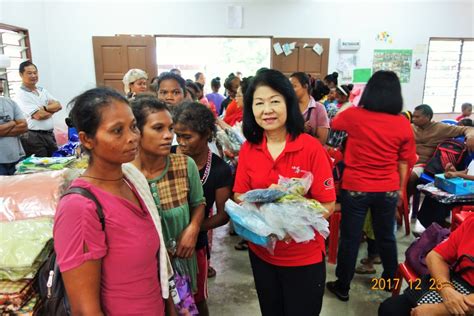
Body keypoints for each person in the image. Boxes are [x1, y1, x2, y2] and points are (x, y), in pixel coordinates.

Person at [54, 88, 173, 315]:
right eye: (117, 131)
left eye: (133, 126)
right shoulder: (79, 208)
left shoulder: (132, 181)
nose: (132, 137)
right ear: (87, 139)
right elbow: (84, 310)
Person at [233, 69, 336, 316]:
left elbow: (328, 204)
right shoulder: (249, 148)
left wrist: (291, 216)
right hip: (262, 254)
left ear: (289, 103)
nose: (267, 110)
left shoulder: (310, 147)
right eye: (259, 103)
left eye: (274, 101)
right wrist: (265, 202)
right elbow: (239, 195)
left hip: (304, 256)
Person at [326, 70, 417, 302]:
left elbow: (335, 123)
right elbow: (404, 161)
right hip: (387, 188)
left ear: (369, 92)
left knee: (350, 238)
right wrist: (399, 189)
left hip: (356, 187)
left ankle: (343, 286)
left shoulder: (354, 115)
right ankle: (388, 281)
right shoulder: (402, 123)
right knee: (386, 235)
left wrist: (352, 103)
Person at [130, 96, 206, 297]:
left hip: (181, 263)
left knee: (188, 306)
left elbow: (199, 203)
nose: (168, 136)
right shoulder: (125, 175)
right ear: (136, 131)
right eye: (158, 128)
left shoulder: (184, 165)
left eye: (170, 128)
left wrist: (193, 228)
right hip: (142, 269)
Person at [172, 102, 233, 315]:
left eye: (187, 137)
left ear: (207, 133)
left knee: (196, 300)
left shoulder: (219, 169)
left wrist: (193, 230)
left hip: (194, 245)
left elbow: (223, 215)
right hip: (163, 241)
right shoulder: (167, 157)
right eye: (177, 135)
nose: (181, 142)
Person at [379, 215, 474, 316]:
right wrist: (446, 289)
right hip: (457, 284)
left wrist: (438, 310)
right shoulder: (471, 222)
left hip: (466, 301)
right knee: (390, 309)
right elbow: (435, 256)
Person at [407, 104, 474, 200]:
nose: (413, 119)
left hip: (423, 165)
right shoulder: (410, 127)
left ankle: (404, 201)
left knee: (410, 176)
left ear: (427, 117)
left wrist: (471, 137)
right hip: (406, 162)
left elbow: (468, 128)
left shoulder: (441, 128)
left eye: (417, 117)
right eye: (413, 116)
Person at [14, 61, 62, 157]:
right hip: (33, 137)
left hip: (49, 135)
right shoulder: (21, 94)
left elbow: (59, 105)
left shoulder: (42, 90)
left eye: (35, 73)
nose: (33, 75)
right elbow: (39, 115)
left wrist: (45, 108)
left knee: (57, 164)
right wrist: (52, 111)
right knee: (41, 168)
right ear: (21, 74)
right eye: (29, 73)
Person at [289, 72, 330, 145]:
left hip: (311, 154)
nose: (290, 90)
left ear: (305, 86)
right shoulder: (288, 107)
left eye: (293, 86)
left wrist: (298, 134)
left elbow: (322, 141)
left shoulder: (319, 108)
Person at [0, 79, 27, 175]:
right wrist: (12, 123)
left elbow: (24, 127)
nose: (0, 84)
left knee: (20, 188)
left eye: (0, 82)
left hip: (17, 158)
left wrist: (3, 130)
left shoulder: (10, 103)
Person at [326, 84, 354, 148]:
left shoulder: (348, 108)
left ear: (344, 97)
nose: (336, 98)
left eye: (337, 96)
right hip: (331, 139)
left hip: (339, 140)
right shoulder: (333, 107)